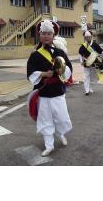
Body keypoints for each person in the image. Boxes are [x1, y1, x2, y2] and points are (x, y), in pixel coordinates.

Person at [27, 19, 73, 157]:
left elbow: (69, 68)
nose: (46, 36)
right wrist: (43, 74)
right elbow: (30, 73)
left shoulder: (60, 52)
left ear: (53, 36)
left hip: (58, 91)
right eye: (43, 33)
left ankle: (60, 134)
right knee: (45, 119)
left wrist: (62, 71)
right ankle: (49, 145)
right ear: (40, 35)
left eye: (49, 33)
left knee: (61, 117)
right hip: (44, 92)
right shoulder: (35, 55)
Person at [79, 30, 103, 95]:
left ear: (91, 37)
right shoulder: (83, 46)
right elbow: (80, 54)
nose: (88, 38)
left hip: (95, 63)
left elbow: (101, 51)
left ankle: (91, 87)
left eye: (89, 37)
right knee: (86, 76)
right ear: (85, 38)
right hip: (86, 63)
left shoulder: (95, 44)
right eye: (86, 37)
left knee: (93, 76)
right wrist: (81, 61)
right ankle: (86, 90)